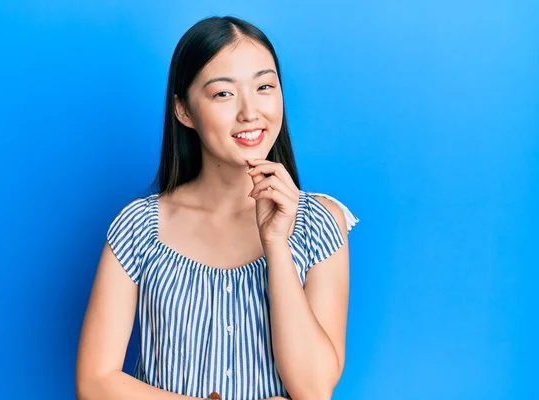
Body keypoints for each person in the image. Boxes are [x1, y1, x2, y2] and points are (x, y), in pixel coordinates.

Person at [76, 15, 359, 400]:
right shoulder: (139, 226)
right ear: (184, 111)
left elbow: (313, 388)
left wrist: (276, 245)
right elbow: (94, 382)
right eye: (223, 93)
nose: (250, 112)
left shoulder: (318, 224)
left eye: (264, 87)